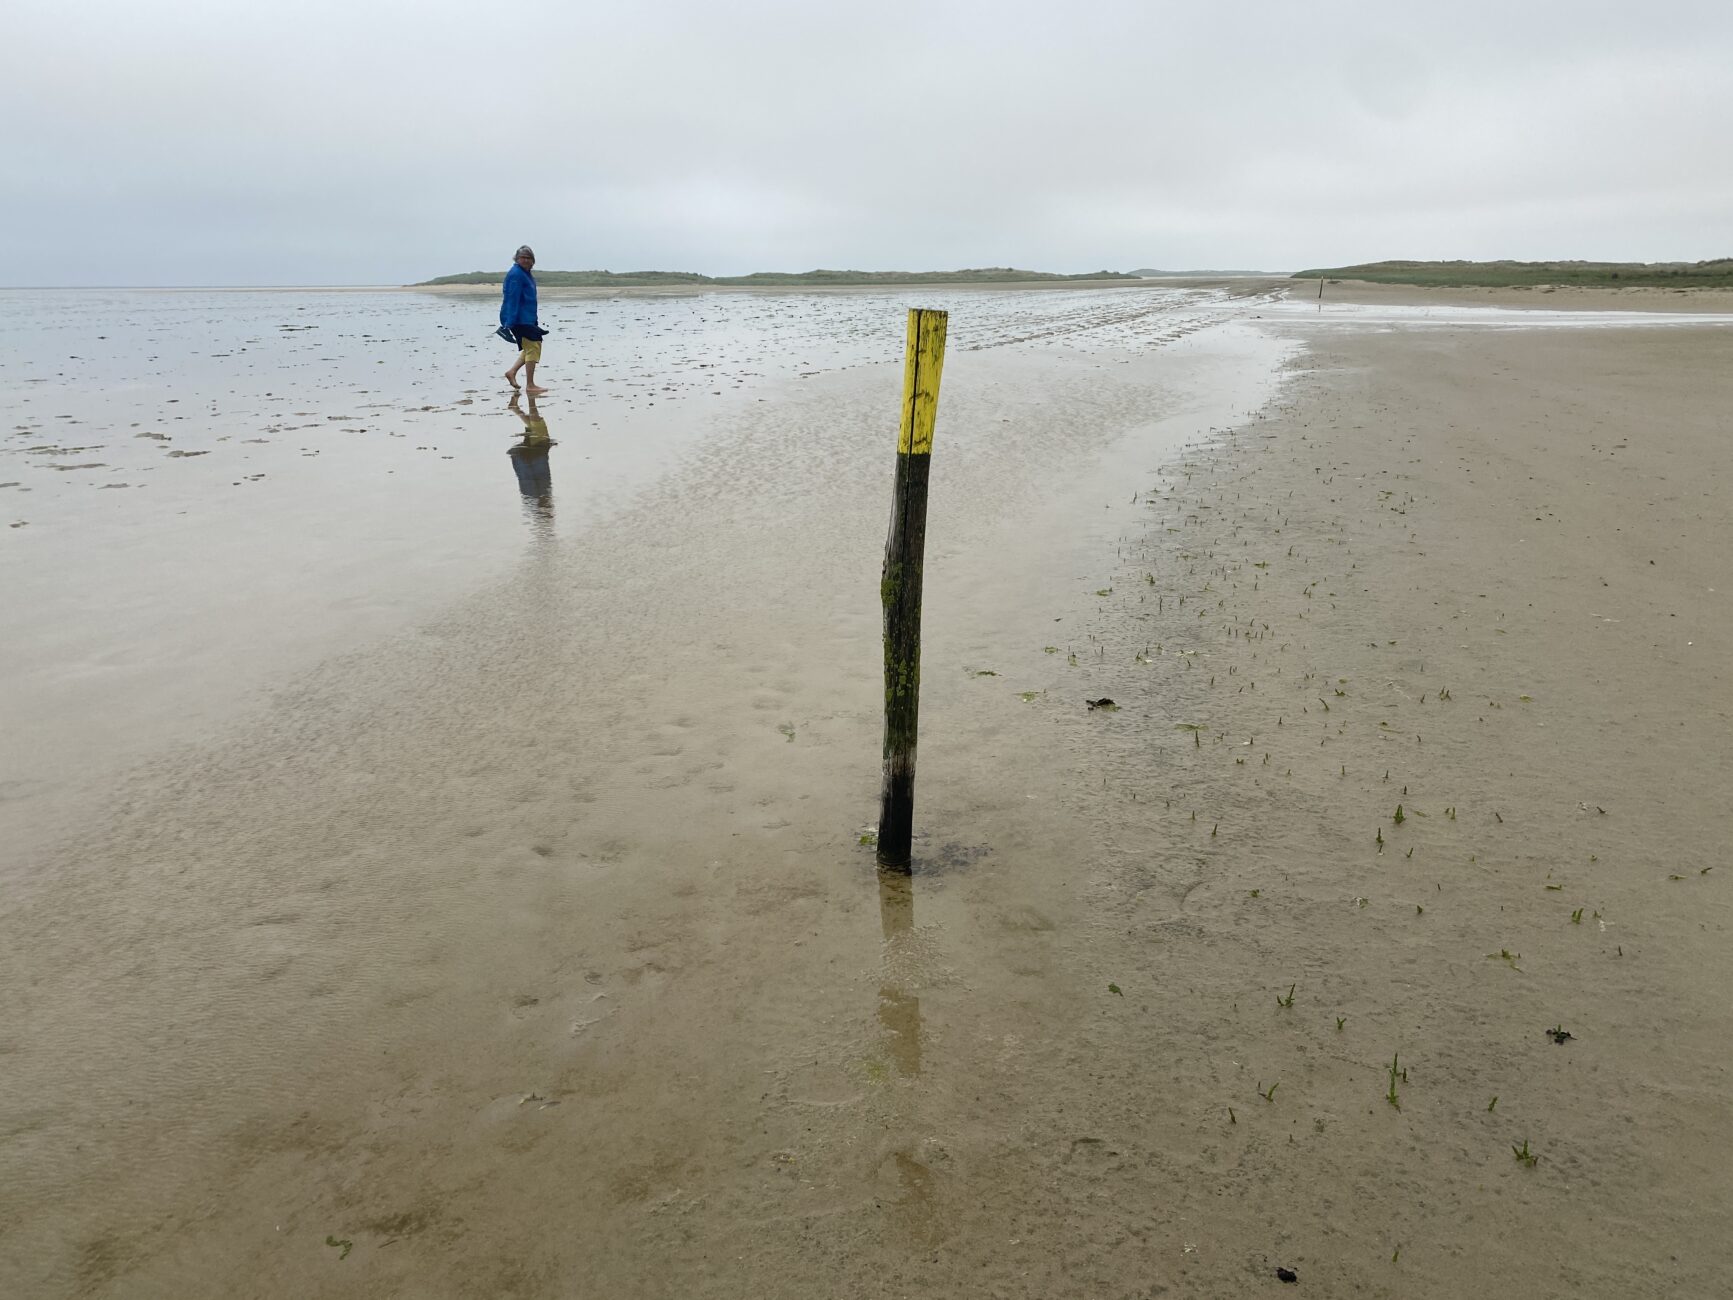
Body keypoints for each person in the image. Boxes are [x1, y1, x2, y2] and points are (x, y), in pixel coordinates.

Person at [501, 245, 547, 394]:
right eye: (523, 258)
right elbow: (512, 299)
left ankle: (512, 372)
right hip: (519, 319)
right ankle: (530, 385)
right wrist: (509, 322)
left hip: (528, 317)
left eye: (529, 258)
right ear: (517, 258)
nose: (526, 260)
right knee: (533, 346)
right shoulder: (516, 274)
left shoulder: (526, 273)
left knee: (532, 346)